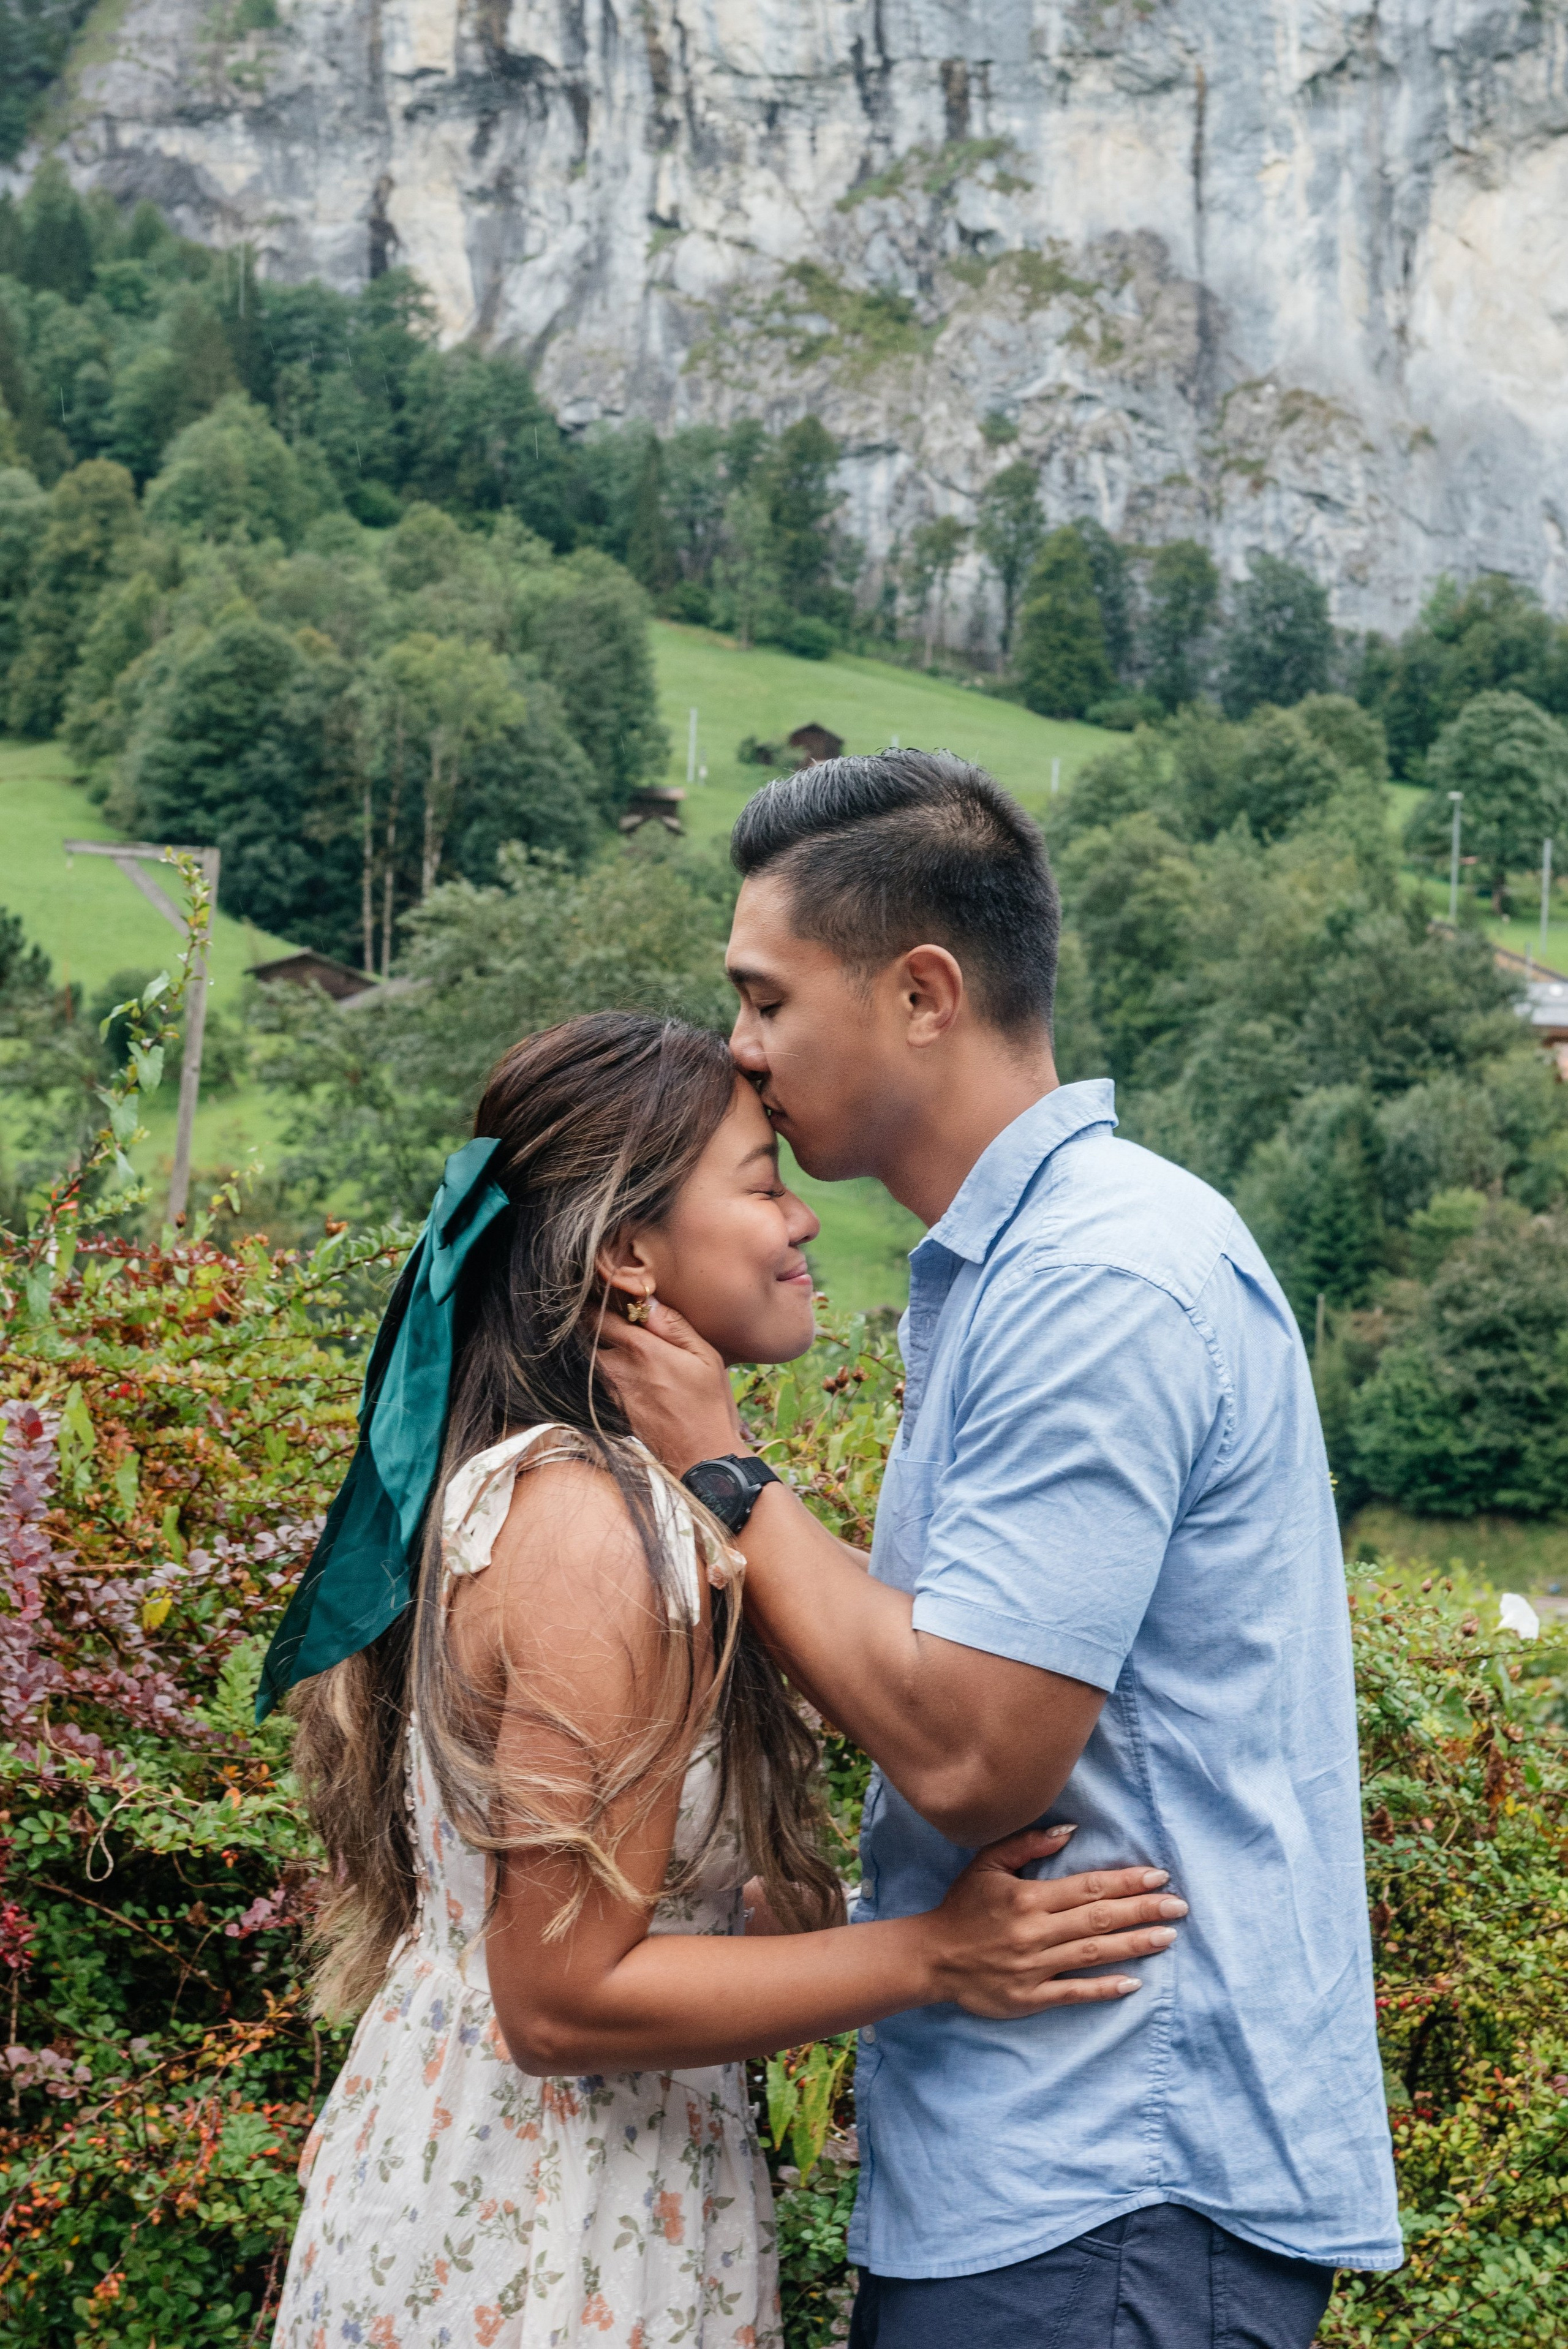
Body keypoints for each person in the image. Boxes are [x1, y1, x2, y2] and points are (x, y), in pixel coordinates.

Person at [599, 752, 1403, 2349]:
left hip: (1112, 2181)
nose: (740, 1050)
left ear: (921, 993)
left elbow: (974, 1751)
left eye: (765, 1000)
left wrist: (722, 1468)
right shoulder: (1037, 1266)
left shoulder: (1096, 1283)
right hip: (1058, 2181)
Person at [263, 1011, 1189, 2349]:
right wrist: (939, 1953)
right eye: (762, 1186)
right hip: (545, 2231)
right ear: (629, 1254)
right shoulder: (590, 1530)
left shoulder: (617, 1499)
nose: (803, 1221)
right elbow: (560, 2000)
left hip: (572, 2190)